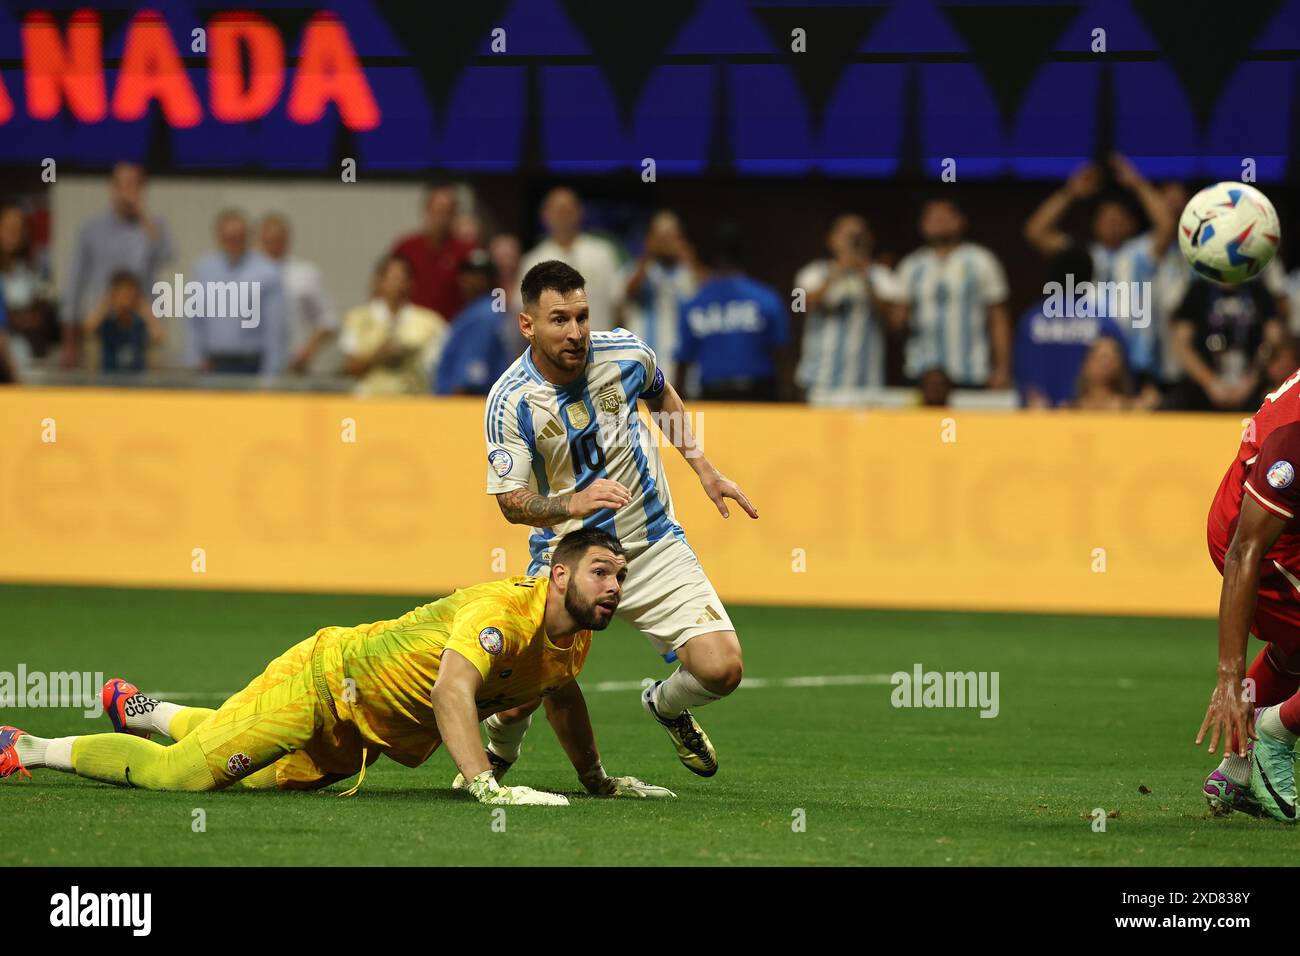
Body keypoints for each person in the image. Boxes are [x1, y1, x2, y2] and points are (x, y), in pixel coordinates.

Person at [1, 529, 674, 805]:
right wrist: (486, 788)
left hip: (366, 731)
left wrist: (598, 781)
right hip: (324, 681)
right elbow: (452, 692)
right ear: (558, 575)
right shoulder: (503, 612)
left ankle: (144, 711)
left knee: (253, 775)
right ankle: (29, 746)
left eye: (620, 574)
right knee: (184, 776)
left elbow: (562, 695)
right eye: (600, 571)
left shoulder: (574, 641)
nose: (615, 584)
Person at [482, 260, 757, 780]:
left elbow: (661, 395)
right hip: (565, 559)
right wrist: (571, 504)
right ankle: (500, 755)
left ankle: (667, 705)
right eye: (559, 319)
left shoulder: (627, 353)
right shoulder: (509, 399)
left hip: (650, 542)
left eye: (582, 317)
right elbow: (511, 501)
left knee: (723, 669)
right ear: (527, 325)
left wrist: (703, 467)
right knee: (523, 693)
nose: (576, 332)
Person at [1197, 363, 1300, 822]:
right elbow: (1244, 551)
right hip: (1255, 536)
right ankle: (1274, 733)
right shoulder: (1295, 441)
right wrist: (1229, 678)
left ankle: (1237, 768)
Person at [1024, 154, 1176, 386]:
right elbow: (1036, 232)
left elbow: (1166, 225)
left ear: (1131, 224)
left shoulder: (1141, 253)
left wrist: (1138, 184)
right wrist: (1069, 193)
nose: (1112, 223)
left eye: (1119, 219)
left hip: (1136, 362)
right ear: (1094, 223)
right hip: (1090, 361)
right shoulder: (1082, 255)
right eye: (1106, 219)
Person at [60, 162, 173, 369]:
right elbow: (75, 283)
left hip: (141, 324)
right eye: (122, 185)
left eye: (133, 185)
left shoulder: (153, 226)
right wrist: (70, 341)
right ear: (112, 188)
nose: (126, 191)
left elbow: (166, 255)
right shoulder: (91, 229)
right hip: (101, 323)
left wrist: (144, 216)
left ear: (141, 189)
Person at [893, 198, 1011, 388]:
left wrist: (1002, 368)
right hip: (922, 373)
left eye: (945, 216)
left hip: (971, 372)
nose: (938, 221)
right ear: (922, 225)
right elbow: (897, 322)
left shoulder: (982, 261)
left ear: (960, 221)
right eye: (932, 217)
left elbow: (998, 318)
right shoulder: (911, 266)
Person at [675, 221, 791, 401]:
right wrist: (788, 399)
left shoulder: (694, 304)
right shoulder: (766, 299)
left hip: (712, 397)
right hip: (759, 396)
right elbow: (783, 357)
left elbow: (682, 365)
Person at [793, 213, 898, 397]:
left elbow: (896, 322)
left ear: (870, 240)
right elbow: (798, 308)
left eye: (859, 236)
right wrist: (839, 270)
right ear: (831, 240)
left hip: (867, 383)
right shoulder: (809, 273)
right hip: (819, 380)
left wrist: (866, 277)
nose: (853, 242)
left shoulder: (883, 276)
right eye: (847, 236)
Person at [1013, 246, 1130, 408]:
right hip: (1089, 423)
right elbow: (1125, 379)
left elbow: (1020, 374)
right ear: (1089, 277)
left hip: (1039, 420)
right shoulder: (1104, 322)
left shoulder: (1029, 321)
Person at [186, 209, 288, 376]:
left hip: (252, 364)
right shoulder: (203, 270)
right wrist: (194, 358)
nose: (233, 243)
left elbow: (275, 329)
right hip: (213, 364)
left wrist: (271, 372)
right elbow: (194, 320)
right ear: (218, 237)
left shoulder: (267, 271)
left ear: (248, 237)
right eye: (228, 238)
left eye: (239, 238)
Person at [1165, 276, 1282, 411]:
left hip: (1252, 390)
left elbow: (1274, 338)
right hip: (1203, 391)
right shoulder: (1199, 290)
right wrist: (1209, 381)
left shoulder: (1257, 289)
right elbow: (1181, 343)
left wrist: (1252, 379)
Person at [518, 187, 623, 333]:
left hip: (601, 348)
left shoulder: (603, 253)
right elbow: (526, 313)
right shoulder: (532, 261)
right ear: (545, 216)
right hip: (553, 353)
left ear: (580, 213)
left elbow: (619, 304)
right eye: (558, 211)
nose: (564, 217)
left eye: (569, 211)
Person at [340, 255, 448, 395]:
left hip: (415, 401)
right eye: (393, 278)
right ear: (380, 281)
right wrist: (377, 357)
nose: (398, 285)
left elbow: (444, 365)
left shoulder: (430, 322)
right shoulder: (358, 319)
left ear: (411, 283)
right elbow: (349, 369)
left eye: (402, 279)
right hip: (370, 402)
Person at [258, 213, 339, 375]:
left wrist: (307, 352)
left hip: (294, 366)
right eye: (269, 240)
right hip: (251, 364)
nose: (274, 245)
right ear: (258, 240)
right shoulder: (244, 277)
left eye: (279, 239)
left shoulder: (305, 274)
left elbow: (330, 320)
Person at [435, 250, 517, 396]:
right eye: (466, 275)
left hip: (467, 406)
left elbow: (472, 379)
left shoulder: (484, 315)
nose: (469, 281)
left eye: (477, 276)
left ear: (489, 280)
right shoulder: (476, 310)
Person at [390, 182, 476, 319]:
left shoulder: (467, 252)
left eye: (448, 212)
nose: (442, 218)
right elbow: (388, 285)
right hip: (411, 329)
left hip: (450, 328)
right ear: (427, 210)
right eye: (438, 211)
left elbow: (477, 295)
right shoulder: (406, 247)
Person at [621, 210, 698, 362]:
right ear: (650, 239)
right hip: (645, 359)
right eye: (662, 237)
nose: (667, 242)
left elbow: (707, 293)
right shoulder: (637, 269)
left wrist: (691, 259)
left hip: (680, 359)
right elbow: (627, 293)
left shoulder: (688, 271)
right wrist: (648, 254)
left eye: (672, 236)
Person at [81, 270, 164, 373]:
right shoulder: (106, 323)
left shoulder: (140, 324)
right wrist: (105, 305)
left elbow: (159, 336)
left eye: (129, 293)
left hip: (137, 383)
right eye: (121, 293)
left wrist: (144, 308)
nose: (125, 298)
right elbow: (88, 328)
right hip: (107, 382)